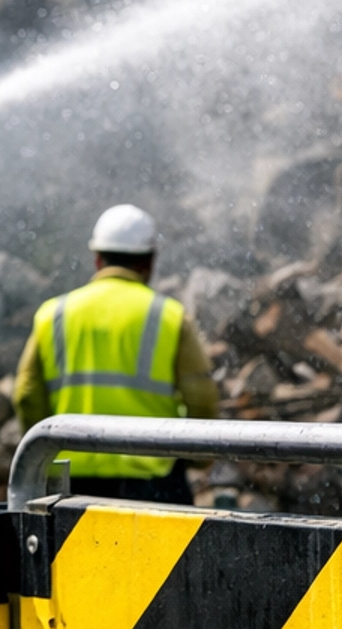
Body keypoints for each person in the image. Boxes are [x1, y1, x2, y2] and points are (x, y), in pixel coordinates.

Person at [14, 203, 218, 503]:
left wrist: (46, 456)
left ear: (97, 259)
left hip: (71, 482)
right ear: (149, 261)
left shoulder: (53, 314)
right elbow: (201, 397)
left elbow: (26, 395)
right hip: (153, 481)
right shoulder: (169, 316)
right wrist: (197, 458)